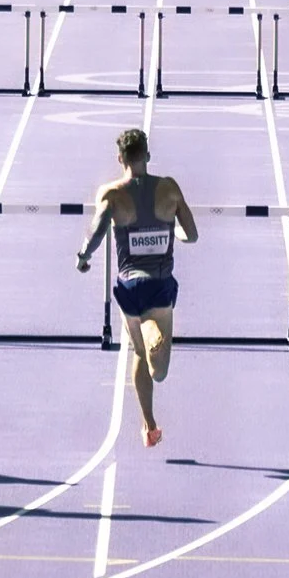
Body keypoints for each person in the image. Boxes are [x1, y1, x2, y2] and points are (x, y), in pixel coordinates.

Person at [75, 125, 199, 450]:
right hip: (159, 284)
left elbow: (98, 229)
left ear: (120, 159)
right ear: (147, 155)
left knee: (140, 356)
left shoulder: (112, 193)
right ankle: (152, 332)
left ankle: (149, 424)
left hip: (128, 285)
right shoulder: (169, 188)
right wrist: (174, 235)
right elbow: (192, 233)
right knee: (160, 371)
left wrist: (83, 258)